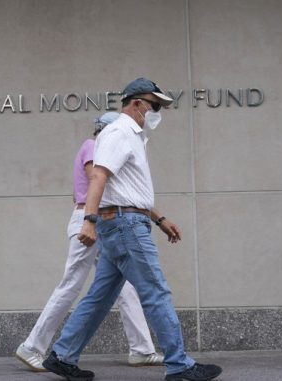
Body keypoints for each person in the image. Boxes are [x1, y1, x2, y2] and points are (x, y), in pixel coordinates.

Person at [42, 78, 223, 381]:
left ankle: (62, 355)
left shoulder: (131, 135)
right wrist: (89, 220)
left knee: (100, 297)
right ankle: (180, 365)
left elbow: (126, 188)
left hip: (126, 222)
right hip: (125, 226)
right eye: (155, 105)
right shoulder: (120, 132)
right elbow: (99, 176)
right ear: (137, 103)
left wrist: (159, 219)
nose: (158, 111)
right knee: (155, 292)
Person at [15, 111, 164, 372]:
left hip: (99, 220)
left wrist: (157, 217)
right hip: (90, 220)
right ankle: (32, 347)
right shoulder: (93, 146)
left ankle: (142, 349)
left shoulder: (101, 147)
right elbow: (102, 183)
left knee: (125, 287)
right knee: (71, 284)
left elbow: (111, 191)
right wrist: (91, 220)